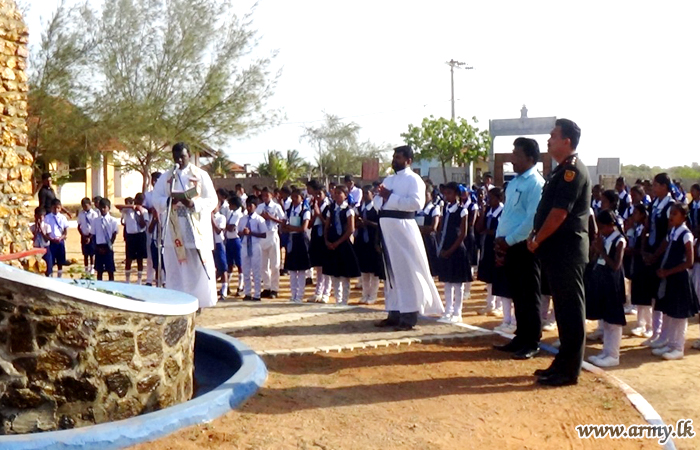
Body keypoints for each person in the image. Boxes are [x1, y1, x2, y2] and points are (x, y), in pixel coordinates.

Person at [528, 118, 591, 386]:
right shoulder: (559, 170)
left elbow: (560, 212)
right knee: (563, 311)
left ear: (567, 141)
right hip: (556, 251)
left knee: (571, 310)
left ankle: (569, 370)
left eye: (553, 135)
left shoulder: (572, 171)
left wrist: (537, 238)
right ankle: (562, 362)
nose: (548, 140)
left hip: (566, 250)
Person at [375, 145, 443, 330]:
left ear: (408, 160)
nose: (394, 159)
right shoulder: (389, 179)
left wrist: (391, 198)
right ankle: (394, 312)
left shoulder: (415, 180)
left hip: (404, 230)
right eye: (394, 156)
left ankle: (409, 316)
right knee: (391, 274)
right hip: (387, 229)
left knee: (406, 271)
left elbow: (416, 204)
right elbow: (377, 202)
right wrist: (384, 199)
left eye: (398, 157)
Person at [493, 138, 545, 359]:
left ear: (530, 158)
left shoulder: (536, 183)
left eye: (516, 154)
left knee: (529, 294)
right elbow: (509, 215)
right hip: (509, 244)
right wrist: (500, 240)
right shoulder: (514, 183)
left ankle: (532, 341)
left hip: (524, 246)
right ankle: (521, 336)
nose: (512, 158)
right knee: (517, 293)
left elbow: (531, 220)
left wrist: (510, 240)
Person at [152, 142, 218, 309]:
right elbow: (155, 199)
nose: (179, 160)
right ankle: (178, 301)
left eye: (182, 156)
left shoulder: (201, 175)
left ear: (189, 155)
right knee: (175, 266)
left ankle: (199, 301)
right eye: (176, 157)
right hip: (174, 227)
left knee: (195, 265)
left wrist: (192, 204)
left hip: (193, 226)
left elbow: (212, 200)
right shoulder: (167, 177)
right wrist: (169, 200)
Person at [651, 203, 698, 360]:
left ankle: (678, 347)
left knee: (679, 315)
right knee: (670, 313)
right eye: (670, 213)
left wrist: (668, 271)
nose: (671, 216)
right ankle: (670, 343)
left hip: (679, 278)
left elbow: (689, 261)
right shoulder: (672, 232)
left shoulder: (686, 234)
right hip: (670, 278)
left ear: (683, 216)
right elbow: (664, 248)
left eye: (675, 214)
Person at [586, 210, 627, 367]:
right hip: (603, 281)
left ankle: (613, 354)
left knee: (614, 320)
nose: (600, 230)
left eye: (602, 226)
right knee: (606, 319)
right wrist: (596, 249)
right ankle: (606, 351)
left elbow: (616, 265)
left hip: (613, 282)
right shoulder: (604, 238)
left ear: (610, 225)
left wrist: (602, 250)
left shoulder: (619, 240)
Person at [640, 173, 675, 346]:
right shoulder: (654, 204)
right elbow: (648, 226)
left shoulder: (671, 206)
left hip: (664, 254)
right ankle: (656, 332)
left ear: (664, 186)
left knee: (663, 294)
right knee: (653, 293)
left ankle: (664, 335)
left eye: (655, 185)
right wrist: (645, 249)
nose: (653, 188)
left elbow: (669, 234)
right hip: (652, 251)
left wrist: (656, 255)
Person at [436, 182, 471, 323]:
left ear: (457, 194)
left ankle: (458, 312)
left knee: (457, 284)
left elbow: (463, 234)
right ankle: (448, 310)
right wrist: (443, 248)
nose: (447, 196)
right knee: (447, 283)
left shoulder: (462, 211)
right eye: (446, 193)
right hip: (446, 248)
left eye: (450, 193)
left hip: (456, 249)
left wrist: (451, 250)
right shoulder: (445, 209)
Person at [323, 185, 361, 304]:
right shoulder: (331, 209)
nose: (337, 195)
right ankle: (337, 299)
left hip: (344, 243)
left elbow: (351, 229)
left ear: (345, 195)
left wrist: (338, 242)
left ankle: (344, 300)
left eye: (340, 193)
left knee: (345, 274)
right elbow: (327, 226)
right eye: (336, 193)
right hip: (332, 241)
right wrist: (327, 241)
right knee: (335, 274)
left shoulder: (349, 209)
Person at [477, 187, 504, 316]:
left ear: (499, 199)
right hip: (487, 245)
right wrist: (482, 212)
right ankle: (490, 304)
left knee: (498, 275)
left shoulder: (503, 211)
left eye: (491, 198)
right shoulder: (488, 211)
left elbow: (499, 230)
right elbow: (479, 228)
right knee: (489, 277)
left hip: (498, 246)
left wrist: (488, 232)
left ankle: (499, 306)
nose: (489, 200)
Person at [355, 185, 383, 304]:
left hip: (372, 241)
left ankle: (373, 295)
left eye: (367, 193)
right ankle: (365, 294)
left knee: (373, 271)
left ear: (373, 194)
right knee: (364, 271)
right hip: (361, 241)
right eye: (364, 193)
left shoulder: (376, 209)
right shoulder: (359, 208)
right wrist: (359, 223)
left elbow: (379, 225)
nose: (365, 196)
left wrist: (367, 222)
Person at [282, 189, 312, 303]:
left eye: (296, 197)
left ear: (302, 198)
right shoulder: (288, 210)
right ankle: (293, 294)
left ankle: (300, 295)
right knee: (292, 270)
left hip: (301, 240)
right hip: (291, 239)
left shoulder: (305, 211)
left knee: (302, 270)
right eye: (293, 197)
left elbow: (303, 228)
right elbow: (282, 226)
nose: (294, 199)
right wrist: (289, 228)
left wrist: (290, 228)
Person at [628, 204, 653, 338]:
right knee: (637, 294)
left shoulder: (646, 230)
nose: (634, 216)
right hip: (637, 264)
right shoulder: (637, 228)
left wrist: (634, 251)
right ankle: (640, 323)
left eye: (636, 213)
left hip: (643, 265)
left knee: (645, 297)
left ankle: (650, 326)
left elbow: (644, 248)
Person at [256, 187, 285, 299]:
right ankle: (267, 287)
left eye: (267, 195)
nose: (265, 198)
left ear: (271, 195)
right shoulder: (260, 207)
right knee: (263, 265)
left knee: (275, 264)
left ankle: (274, 288)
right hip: (263, 236)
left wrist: (271, 217)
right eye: (263, 196)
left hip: (273, 235)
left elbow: (283, 221)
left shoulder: (276, 207)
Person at [308, 181, 332, 303]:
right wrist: (314, 214)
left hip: (324, 235)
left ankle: (326, 293)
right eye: (316, 194)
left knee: (326, 266)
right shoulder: (314, 205)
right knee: (318, 266)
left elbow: (328, 224)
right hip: (316, 235)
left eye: (320, 194)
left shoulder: (329, 206)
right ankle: (318, 292)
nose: (317, 196)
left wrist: (318, 214)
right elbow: (310, 224)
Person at [240, 196, 268, 301]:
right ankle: (247, 293)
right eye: (247, 206)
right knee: (246, 270)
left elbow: (264, 234)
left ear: (255, 207)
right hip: (244, 245)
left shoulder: (259, 219)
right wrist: (243, 232)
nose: (248, 208)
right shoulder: (243, 219)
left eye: (250, 206)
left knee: (256, 271)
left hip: (255, 245)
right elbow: (238, 232)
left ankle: (257, 294)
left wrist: (250, 233)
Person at [121, 193, 149, 284]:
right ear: (135, 199)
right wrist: (131, 206)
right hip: (130, 236)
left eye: (141, 201)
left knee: (139, 259)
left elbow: (142, 225)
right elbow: (118, 206)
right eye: (138, 200)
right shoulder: (128, 210)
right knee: (129, 258)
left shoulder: (144, 211)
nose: (139, 202)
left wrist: (140, 212)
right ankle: (127, 280)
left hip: (140, 236)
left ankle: (139, 280)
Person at [91, 198, 119, 281]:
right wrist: (97, 248)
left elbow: (114, 234)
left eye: (104, 207)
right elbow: (93, 235)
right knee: (99, 271)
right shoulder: (95, 221)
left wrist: (109, 245)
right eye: (101, 207)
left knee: (110, 270)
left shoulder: (113, 220)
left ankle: (111, 285)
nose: (102, 209)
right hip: (99, 246)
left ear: (108, 208)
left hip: (108, 246)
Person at [417, 186, 441, 276]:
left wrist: (419, 229)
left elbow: (433, 227)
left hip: (429, 241)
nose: (424, 197)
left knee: (430, 266)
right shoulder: (417, 209)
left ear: (431, 196)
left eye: (426, 195)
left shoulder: (434, 208)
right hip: (419, 240)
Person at [144, 172, 162, 286]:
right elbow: (143, 207)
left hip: (162, 224)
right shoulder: (148, 195)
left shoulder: (164, 195)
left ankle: (162, 279)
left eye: (157, 180)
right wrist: (152, 210)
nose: (154, 182)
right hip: (150, 224)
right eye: (153, 180)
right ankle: (149, 280)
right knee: (150, 254)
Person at [225, 194, 244, 296]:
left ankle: (240, 286)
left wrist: (225, 225)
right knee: (229, 264)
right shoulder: (232, 213)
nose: (229, 206)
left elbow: (232, 227)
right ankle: (227, 285)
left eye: (230, 204)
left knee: (240, 264)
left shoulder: (237, 214)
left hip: (236, 240)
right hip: (230, 240)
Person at [45, 199, 69, 278]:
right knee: (51, 260)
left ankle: (59, 275)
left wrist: (61, 237)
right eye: (54, 208)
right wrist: (51, 238)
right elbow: (45, 231)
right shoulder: (47, 217)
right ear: (51, 207)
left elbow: (65, 231)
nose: (56, 210)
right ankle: (50, 275)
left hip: (60, 241)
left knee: (60, 260)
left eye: (58, 208)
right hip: (51, 241)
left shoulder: (62, 218)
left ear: (60, 208)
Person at [212, 200, 229, 302]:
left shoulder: (221, 217)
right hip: (210, 244)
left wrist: (212, 221)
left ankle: (224, 290)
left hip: (219, 243)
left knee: (223, 268)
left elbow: (219, 230)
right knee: (215, 268)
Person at [77, 197, 98, 274]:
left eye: (86, 206)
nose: (84, 208)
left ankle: (92, 267)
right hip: (84, 235)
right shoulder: (81, 214)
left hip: (92, 235)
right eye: (83, 206)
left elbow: (95, 226)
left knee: (92, 253)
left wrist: (90, 237)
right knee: (85, 253)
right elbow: (79, 226)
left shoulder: (94, 214)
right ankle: (86, 268)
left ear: (90, 205)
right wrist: (83, 235)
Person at [30, 207, 52, 277]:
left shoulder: (47, 226)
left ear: (44, 217)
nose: (39, 219)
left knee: (48, 267)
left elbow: (47, 239)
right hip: (36, 249)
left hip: (45, 248)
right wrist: (36, 230)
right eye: (37, 217)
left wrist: (42, 230)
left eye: (41, 217)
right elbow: (32, 240)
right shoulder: (32, 227)